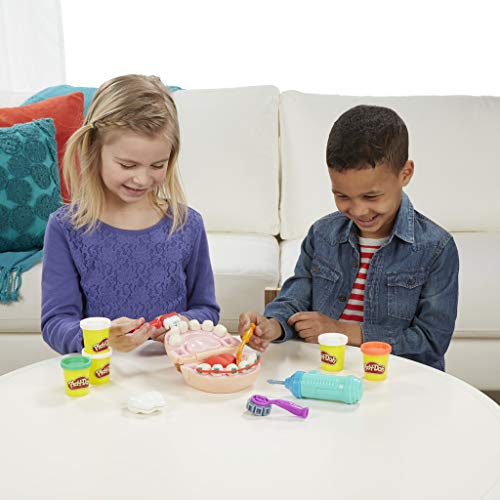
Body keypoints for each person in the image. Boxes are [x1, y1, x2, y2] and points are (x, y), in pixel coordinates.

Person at [239, 105, 459, 370]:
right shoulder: (322, 234)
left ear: (405, 174)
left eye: (371, 196)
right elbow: (296, 298)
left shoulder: (436, 248)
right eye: (342, 196)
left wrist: (341, 331)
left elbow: (430, 341)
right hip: (328, 371)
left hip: (397, 376)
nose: (358, 210)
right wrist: (272, 325)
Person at [41, 74, 219, 354]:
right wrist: (101, 337)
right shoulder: (66, 227)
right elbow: (56, 322)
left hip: (169, 369)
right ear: (94, 149)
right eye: (127, 165)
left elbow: (206, 309)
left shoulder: (187, 224)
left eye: (157, 165)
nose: (142, 179)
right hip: (103, 369)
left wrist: (183, 323)